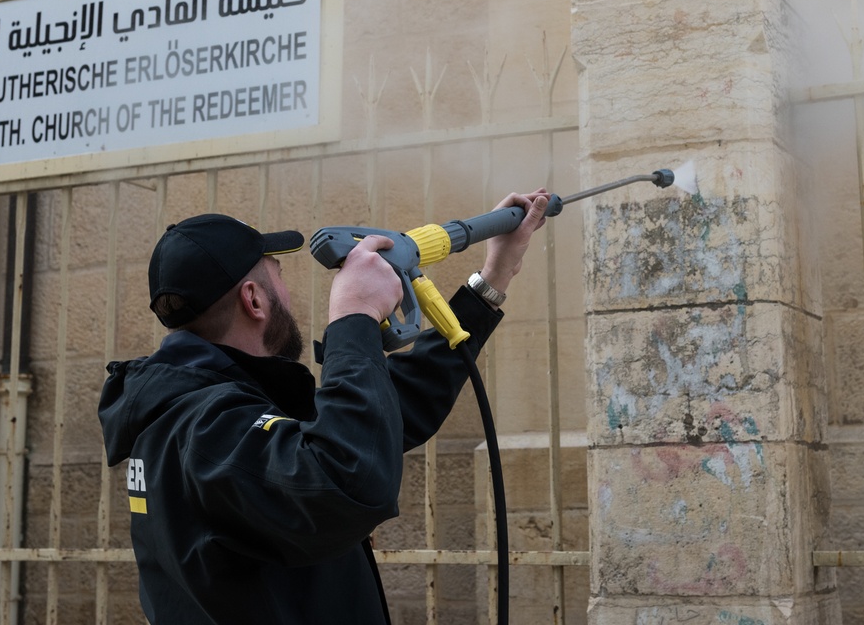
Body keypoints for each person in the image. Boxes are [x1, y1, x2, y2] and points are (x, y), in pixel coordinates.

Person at [99, 190, 550, 624]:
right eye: (277, 272)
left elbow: (381, 418)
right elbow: (349, 478)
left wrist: (492, 276)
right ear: (254, 299)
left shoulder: (212, 408)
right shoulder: (203, 429)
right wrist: (353, 316)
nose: (287, 291)